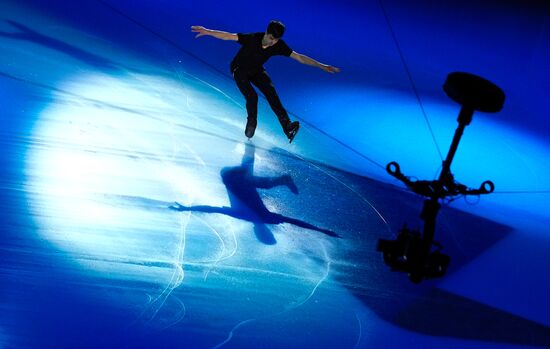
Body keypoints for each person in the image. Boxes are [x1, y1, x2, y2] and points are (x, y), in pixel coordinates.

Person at [191, 20, 340, 143]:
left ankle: (287, 127)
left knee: (271, 93)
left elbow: (299, 57)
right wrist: (208, 31)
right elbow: (228, 36)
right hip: (239, 69)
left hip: (256, 70)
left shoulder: (278, 45)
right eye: (270, 38)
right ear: (266, 32)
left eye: (275, 40)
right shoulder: (252, 38)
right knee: (252, 96)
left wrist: (321, 66)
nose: (272, 42)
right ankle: (251, 122)